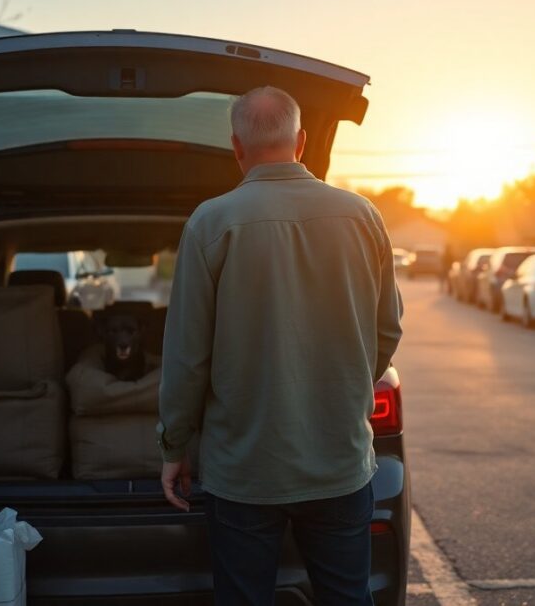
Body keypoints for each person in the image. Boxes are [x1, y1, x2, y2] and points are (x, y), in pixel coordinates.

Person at [158, 86, 404, 605]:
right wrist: (346, 386)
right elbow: (388, 331)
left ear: (236, 146)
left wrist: (175, 446)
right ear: (303, 140)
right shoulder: (362, 217)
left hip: (244, 471)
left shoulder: (211, 222)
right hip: (339, 461)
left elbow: (187, 356)